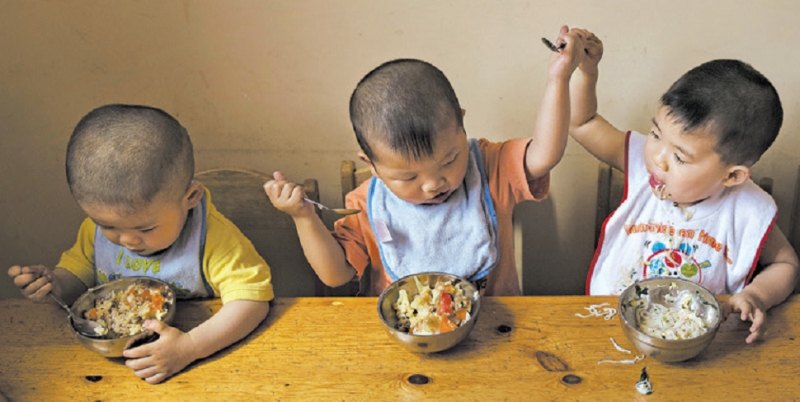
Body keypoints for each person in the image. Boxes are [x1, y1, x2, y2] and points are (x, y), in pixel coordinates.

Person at [265, 26, 584, 296]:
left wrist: (559, 78)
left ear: (462, 125)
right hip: (406, 341)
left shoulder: (488, 168)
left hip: (496, 328)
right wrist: (303, 217)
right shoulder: (366, 204)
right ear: (371, 165)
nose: (434, 184)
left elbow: (546, 154)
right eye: (408, 178)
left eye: (449, 161)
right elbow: (335, 275)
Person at [7, 104, 274, 383]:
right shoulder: (96, 231)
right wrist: (54, 285)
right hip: (110, 376)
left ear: (191, 197)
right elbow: (78, 277)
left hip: (206, 361)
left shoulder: (213, 238)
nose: (127, 240)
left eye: (145, 228)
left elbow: (252, 302)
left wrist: (190, 347)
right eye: (108, 226)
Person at [567, 28, 799, 343]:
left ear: (731, 176)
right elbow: (583, 123)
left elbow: (786, 264)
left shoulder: (746, 207)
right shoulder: (639, 162)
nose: (657, 159)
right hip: (610, 327)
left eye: (680, 157)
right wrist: (587, 72)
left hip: (699, 343)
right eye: (656, 134)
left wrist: (757, 295)